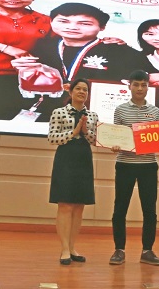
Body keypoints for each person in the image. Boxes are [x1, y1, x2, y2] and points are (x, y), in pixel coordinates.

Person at [11, 3, 159, 120]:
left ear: (102, 27)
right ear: (51, 22)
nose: (72, 27)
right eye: (63, 21)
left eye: (84, 23)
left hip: (98, 119)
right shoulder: (41, 46)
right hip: (49, 115)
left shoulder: (120, 50)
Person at [108, 70, 159, 266]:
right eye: (136, 84)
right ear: (130, 86)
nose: (140, 88)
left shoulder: (155, 111)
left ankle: (147, 250)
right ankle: (119, 249)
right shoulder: (120, 110)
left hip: (148, 166)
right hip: (124, 164)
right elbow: (116, 136)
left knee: (150, 210)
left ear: (148, 87)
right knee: (120, 208)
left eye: (144, 85)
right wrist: (114, 145)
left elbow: (157, 140)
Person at [47, 77, 99, 265]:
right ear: (70, 92)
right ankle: (64, 249)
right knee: (65, 205)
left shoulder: (92, 115)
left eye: (85, 90)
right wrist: (74, 132)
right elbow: (52, 138)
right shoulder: (59, 112)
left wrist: (85, 131)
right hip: (65, 158)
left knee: (79, 205)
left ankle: (72, 247)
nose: (82, 92)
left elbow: (95, 140)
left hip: (83, 158)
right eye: (78, 89)